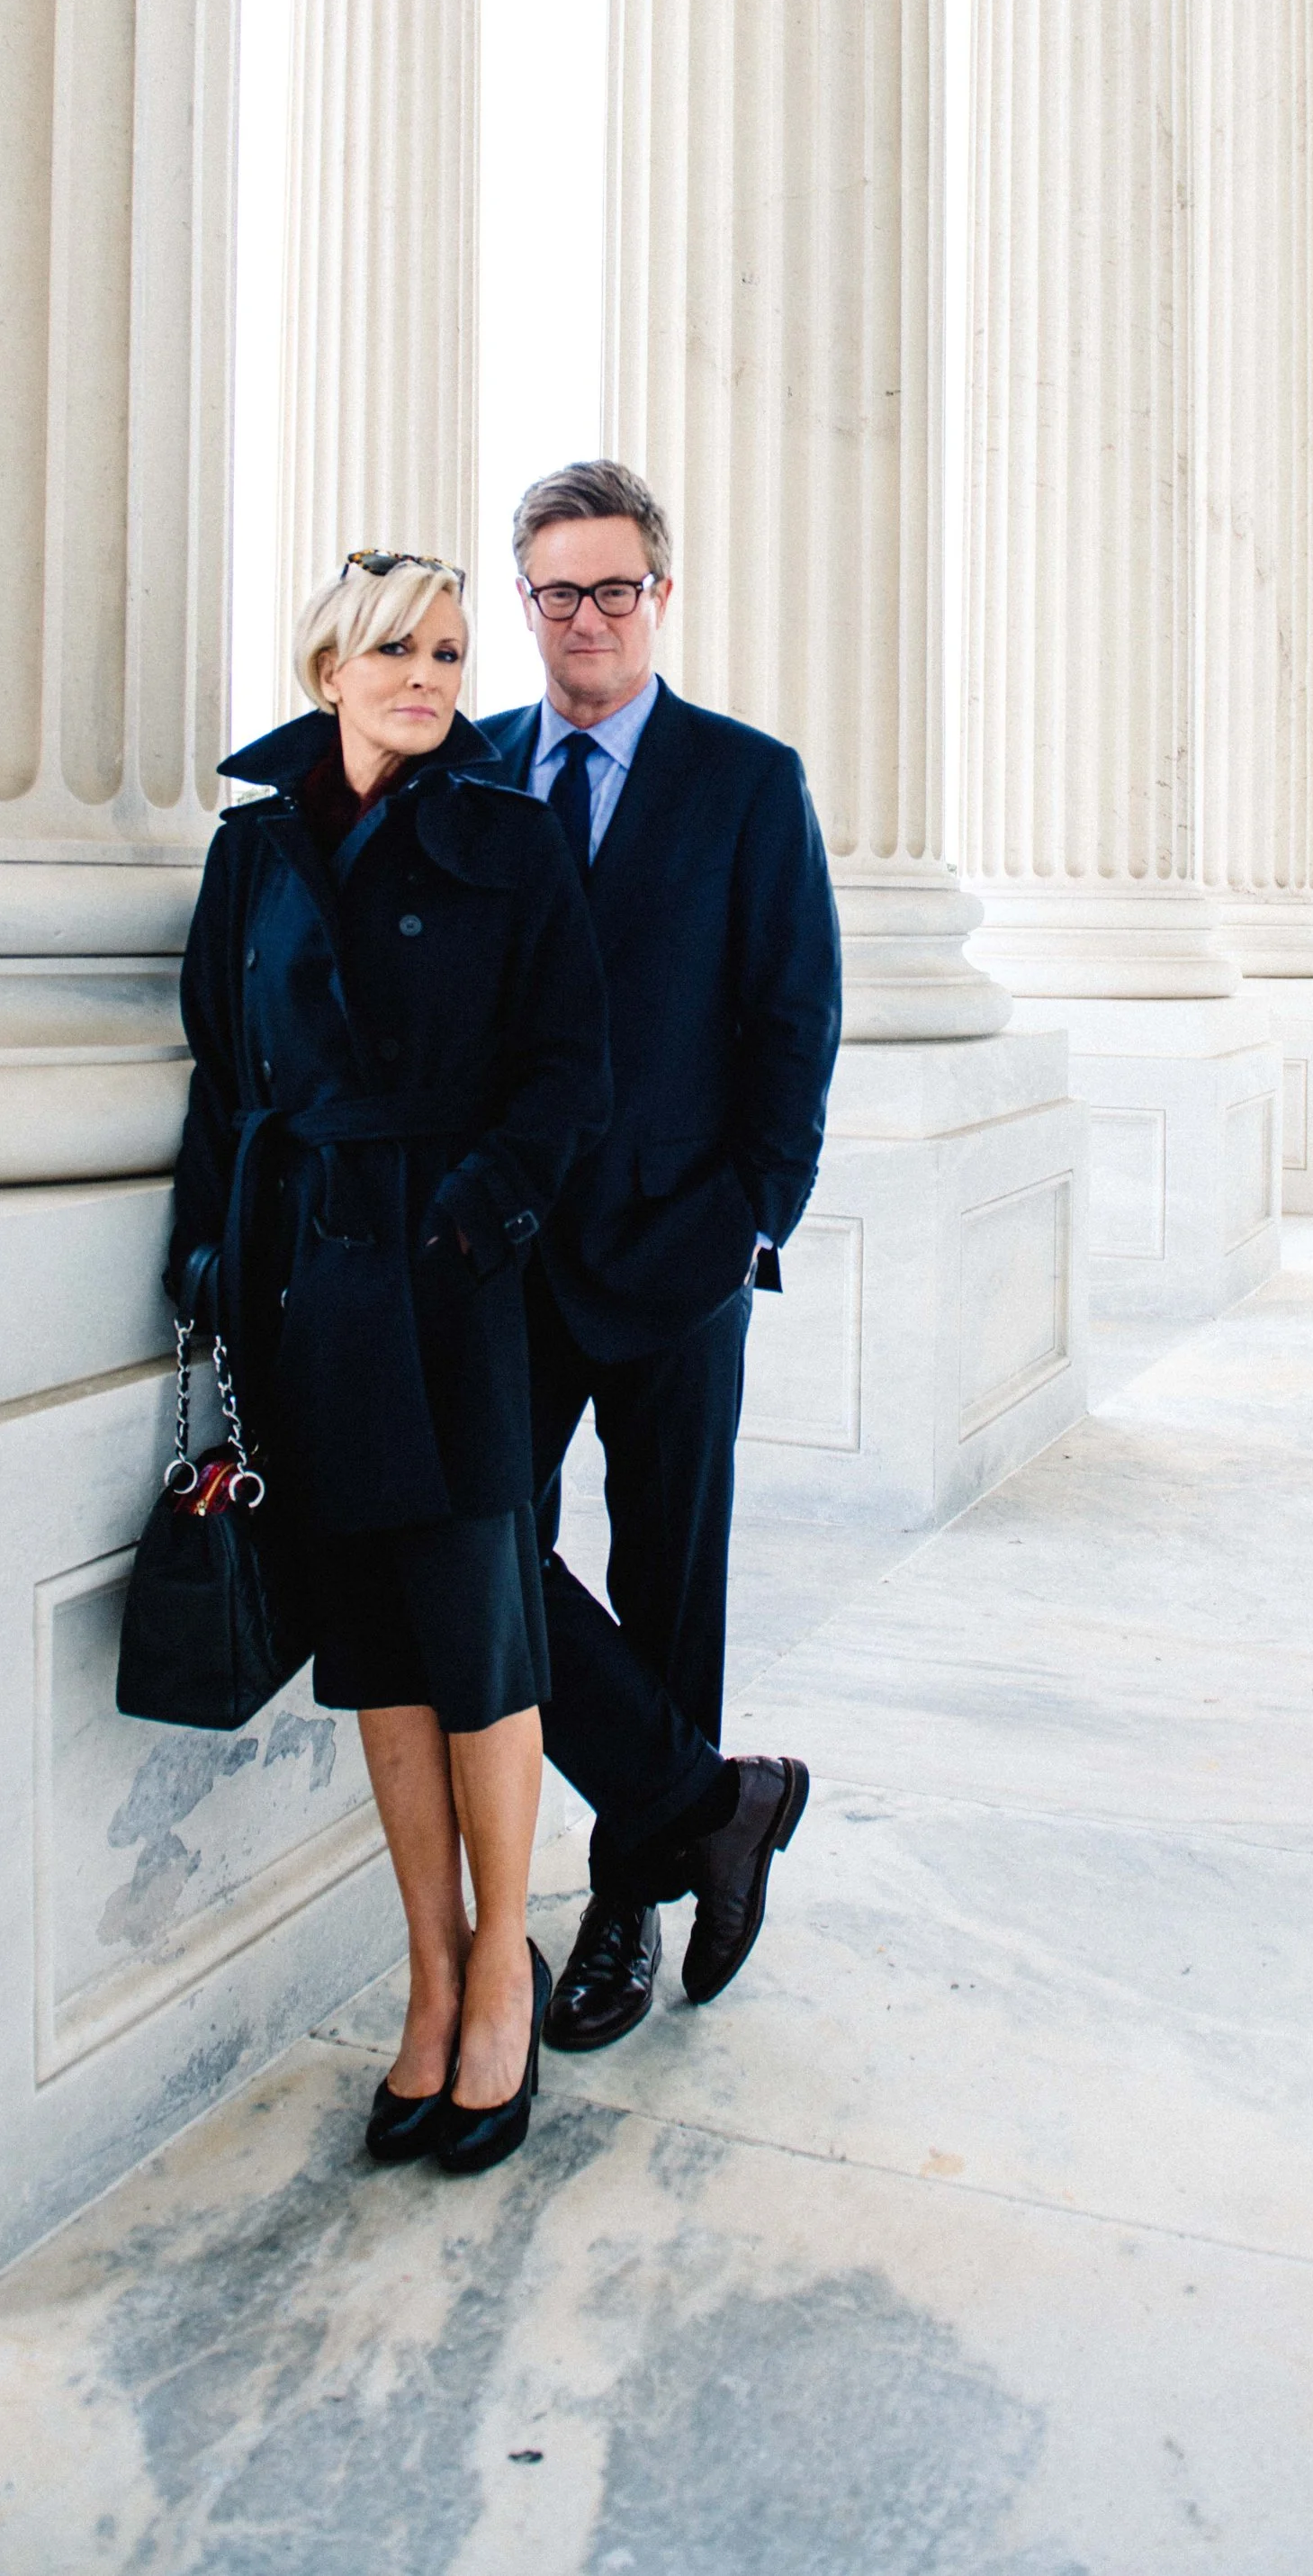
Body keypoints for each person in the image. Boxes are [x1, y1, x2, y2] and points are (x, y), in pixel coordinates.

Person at [166, 550, 611, 2176]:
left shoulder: (508, 834)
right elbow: (226, 1075)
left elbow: (573, 1067)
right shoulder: (252, 849)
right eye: (394, 648)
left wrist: (478, 1225)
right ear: (328, 667)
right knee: (377, 1657)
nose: (428, 673)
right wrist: (208, 1262)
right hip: (305, 1289)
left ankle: (505, 1969)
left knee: (483, 1641)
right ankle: (427, 1975)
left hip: (450, 1286)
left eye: (447, 647)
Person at [478, 461, 841, 2052]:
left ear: (660, 598)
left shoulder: (749, 782)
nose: (587, 620)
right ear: (527, 603)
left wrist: (752, 1215)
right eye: (558, 592)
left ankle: (630, 1893)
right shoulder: (477, 770)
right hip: (508, 1258)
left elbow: (795, 1016)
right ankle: (714, 1803)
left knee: (668, 1577)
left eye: (614, 589)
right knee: (484, 1553)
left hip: (682, 1254)